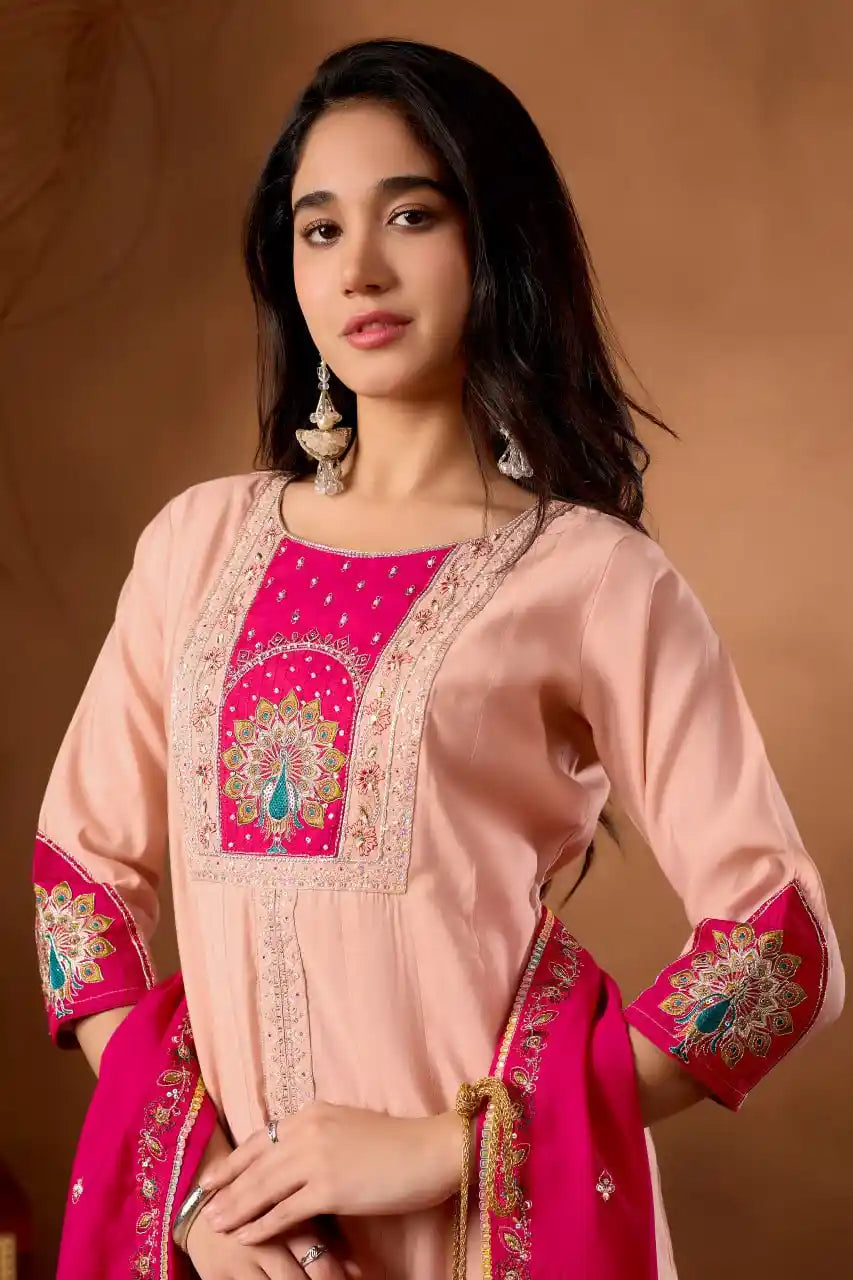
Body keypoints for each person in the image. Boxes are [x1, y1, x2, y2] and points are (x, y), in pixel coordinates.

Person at [32, 37, 843, 1280]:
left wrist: (446, 1144)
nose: (357, 266)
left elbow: (778, 948)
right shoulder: (196, 545)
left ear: (493, 240)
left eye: (409, 214)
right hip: (233, 1249)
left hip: (484, 1237)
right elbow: (83, 888)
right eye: (317, 229)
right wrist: (201, 1200)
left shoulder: (593, 578)